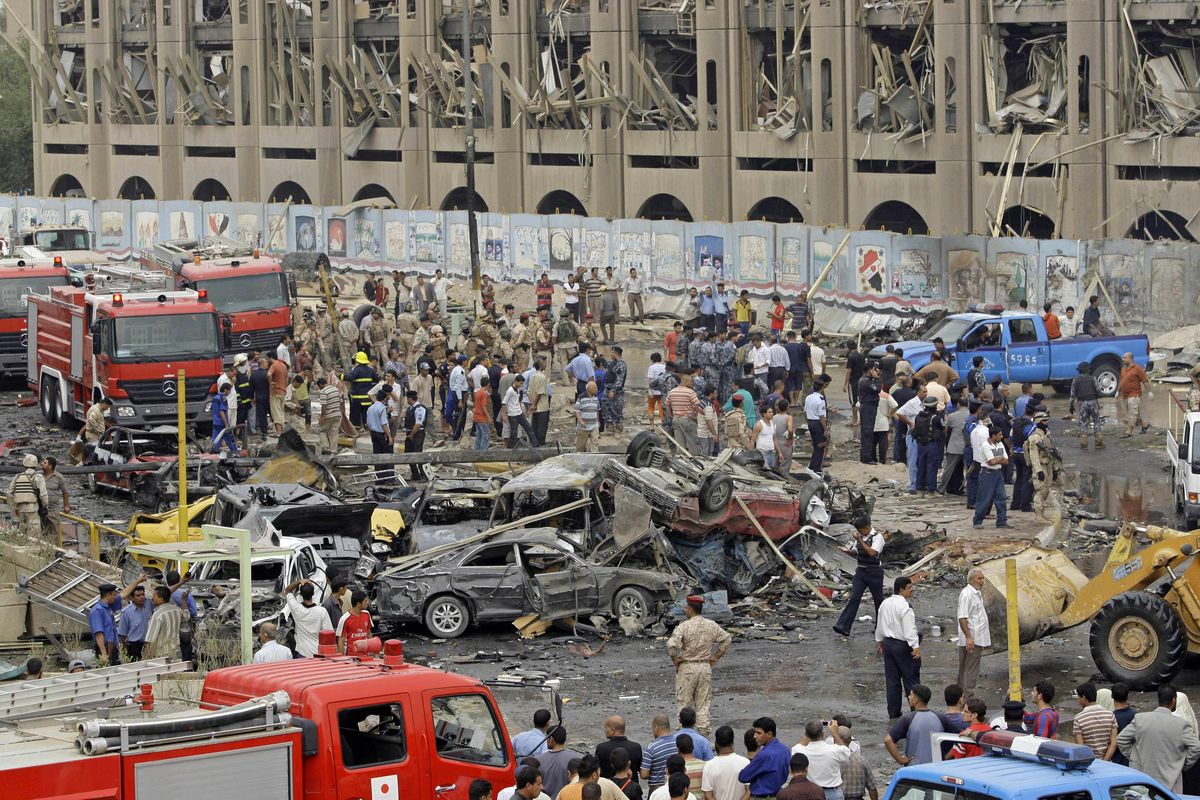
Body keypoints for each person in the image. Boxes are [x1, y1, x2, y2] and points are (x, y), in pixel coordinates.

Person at [667, 596, 731, 736]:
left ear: (690, 609)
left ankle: (684, 738)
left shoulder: (684, 626)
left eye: (686, 607)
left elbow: (672, 646)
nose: (685, 609)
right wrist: (716, 657)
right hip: (704, 667)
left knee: (684, 704)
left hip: (687, 668)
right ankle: (703, 737)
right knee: (703, 704)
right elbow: (726, 639)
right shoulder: (711, 625)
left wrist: (675, 660)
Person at [1117, 685, 1200, 793]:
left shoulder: (1140, 719)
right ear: (1173, 700)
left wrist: (1134, 758)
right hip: (1171, 783)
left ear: (1159, 699)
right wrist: (1183, 764)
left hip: (1142, 782)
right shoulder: (1181, 724)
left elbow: (1121, 739)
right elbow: (1196, 747)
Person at [875, 577, 920, 720]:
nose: (912, 589)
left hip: (888, 644)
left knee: (892, 680)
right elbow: (909, 629)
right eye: (909, 587)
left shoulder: (885, 603)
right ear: (901, 589)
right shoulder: (905, 607)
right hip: (902, 645)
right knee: (911, 679)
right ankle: (916, 711)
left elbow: (880, 623)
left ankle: (894, 712)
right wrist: (915, 646)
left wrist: (880, 640)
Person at [833, 516, 884, 637]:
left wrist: (860, 540)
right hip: (861, 571)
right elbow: (855, 551)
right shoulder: (860, 537)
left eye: (861, 530)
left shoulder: (878, 537)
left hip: (874, 572)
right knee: (854, 598)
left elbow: (872, 553)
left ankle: (881, 628)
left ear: (867, 527)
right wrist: (846, 550)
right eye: (859, 531)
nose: (860, 533)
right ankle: (843, 626)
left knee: (878, 601)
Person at [884, 685, 944, 766]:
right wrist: (946, 757)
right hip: (936, 768)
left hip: (914, 769)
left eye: (910, 695)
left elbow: (888, 740)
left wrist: (901, 760)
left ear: (915, 700)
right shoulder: (940, 717)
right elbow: (958, 736)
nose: (908, 697)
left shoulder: (908, 718)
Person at [791, 721, 849, 800]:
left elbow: (799, 745)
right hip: (832, 793)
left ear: (806, 734)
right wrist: (835, 733)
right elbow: (846, 752)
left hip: (810, 793)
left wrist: (810, 729)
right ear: (822, 734)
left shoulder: (798, 751)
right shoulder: (834, 750)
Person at [737, 718, 791, 800]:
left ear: (769, 734)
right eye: (755, 732)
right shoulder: (785, 750)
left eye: (758, 733)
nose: (755, 736)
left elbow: (743, 777)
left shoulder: (764, 754)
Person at [954, 568, 989, 693]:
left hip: (974, 637)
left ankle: (961, 696)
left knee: (965, 668)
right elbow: (962, 618)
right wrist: (969, 638)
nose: (982, 581)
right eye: (979, 578)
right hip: (972, 638)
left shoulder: (975, 593)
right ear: (971, 580)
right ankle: (968, 697)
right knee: (970, 669)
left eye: (983, 578)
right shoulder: (967, 594)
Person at [283, 579, 334, 658]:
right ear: (313, 593)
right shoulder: (321, 611)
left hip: (302, 653)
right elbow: (329, 634)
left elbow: (287, 591)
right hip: (318, 653)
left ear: (300, 594)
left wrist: (299, 581)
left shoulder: (296, 608)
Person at [972, 423, 1010, 529]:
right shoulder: (985, 445)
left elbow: (1006, 460)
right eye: (1000, 435)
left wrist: (998, 459)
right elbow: (991, 462)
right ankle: (977, 521)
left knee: (1001, 498)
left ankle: (1002, 521)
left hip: (998, 474)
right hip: (987, 474)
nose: (1001, 437)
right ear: (993, 436)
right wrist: (1000, 458)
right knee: (984, 499)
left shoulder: (1000, 444)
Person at [701, 726, 749, 800]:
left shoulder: (709, 765)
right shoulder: (745, 762)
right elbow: (748, 791)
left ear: (716, 743)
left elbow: (708, 795)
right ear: (732, 742)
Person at [8, 453, 47, 540]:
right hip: (32, 509)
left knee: (21, 535)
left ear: (24, 464)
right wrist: (45, 506)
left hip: (19, 510)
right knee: (34, 537)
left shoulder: (17, 476)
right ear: (35, 465)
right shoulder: (38, 477)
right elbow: (43, 495)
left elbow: (9, 493)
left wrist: (13, 508)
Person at [1075, 682, 1118, 761]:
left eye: (1078, 697)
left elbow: (1080, 747)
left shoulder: (1079, 718)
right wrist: (1105, 761)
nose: (1078, 701)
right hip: (1107, 763)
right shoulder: (1110, 715)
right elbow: (1113, 743)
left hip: (1088, 763)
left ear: (1084, 697)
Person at [144, 585, 187, 660]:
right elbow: (187, 616)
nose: (152, 598)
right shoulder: (177, 610)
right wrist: (184, 601)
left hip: (161, 655)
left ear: (160, 599)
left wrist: (143, 660)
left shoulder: (157, 616)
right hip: (176, 652)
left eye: (154, 596)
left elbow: (150, 641)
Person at [666, 373, 703, 456]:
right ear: (686, 382)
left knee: (679, 443)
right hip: (687, 420)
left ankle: (681, 459)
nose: (692, 384)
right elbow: (697, 405)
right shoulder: (690, 392)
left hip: (676, 419)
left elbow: (667, 404)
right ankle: (695, 460)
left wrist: (670, 416)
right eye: (691, 382)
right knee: (693, 442)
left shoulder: (672, 392)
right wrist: (695, 416)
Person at [116, 578, 153, 660]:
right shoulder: (126, 612)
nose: (142, 597)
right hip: (134, 647)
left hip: (149, 644)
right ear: (132, 598)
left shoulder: (148, 605)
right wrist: (122, 650)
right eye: (138, 595)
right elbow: (122, 634)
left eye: (143, 594)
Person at [89, 582, 125, 665]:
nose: (115, 597)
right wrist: (104, 654)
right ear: (108, 596)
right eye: (114, 595)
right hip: (105, 648)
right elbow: (99, 633)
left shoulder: (108, 607)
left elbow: (124, 594)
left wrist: (138, 581)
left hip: (113, 646)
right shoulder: (97, 611)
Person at [597, 716, 643, 780]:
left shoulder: (601, 748)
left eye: (606, 728)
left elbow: (598, 770)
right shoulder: (636, 747)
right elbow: (639, 769)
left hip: (609, 787)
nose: (605, 731)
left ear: (613, 730)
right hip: (630, 787)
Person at [836, 727, 876, 800]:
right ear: (851, 740)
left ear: (835, 739)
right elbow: (872, 788)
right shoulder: (861, 759)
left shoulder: (833, 759)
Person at [643, 715, 680, 793]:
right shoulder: (678, 743)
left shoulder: (651, 747)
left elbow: (644, 774)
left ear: (656, 727)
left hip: (656, 788)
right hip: (676, 786)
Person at [1119, 351, 1151, 437]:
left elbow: (1145, 380)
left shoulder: (1137, 369)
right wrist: (1117, 391)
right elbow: (1121, 381)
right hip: (1125, 395)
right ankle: (1144, 425)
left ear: (1130, 358)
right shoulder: (1123, 369)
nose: (1123, 359)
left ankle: (1129, 431)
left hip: (1134, 394)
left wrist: (1150, 392)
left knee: (1132, 413)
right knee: (1134, 413)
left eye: (1124, 358)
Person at [336, 589, 373, 655]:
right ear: (358, 604)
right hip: (351, 657)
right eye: (365, 601)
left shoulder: (366, 614)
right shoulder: (345, 619)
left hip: (366, 657)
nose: (367, 603)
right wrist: (340, 659)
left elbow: (369, 634)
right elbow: (341, 640)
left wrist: (374, 653)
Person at [576, 381, 601, 453]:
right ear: (589, 389)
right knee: (580, 446)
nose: (597, 389)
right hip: (583, 426)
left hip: (594, 425)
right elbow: (577, 410)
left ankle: (594, 457)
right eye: (595, 387)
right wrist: (580, 421)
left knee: (595, 443)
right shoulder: (581, 397)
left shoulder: (596, 398)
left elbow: (597, 410)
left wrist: (597, 421)